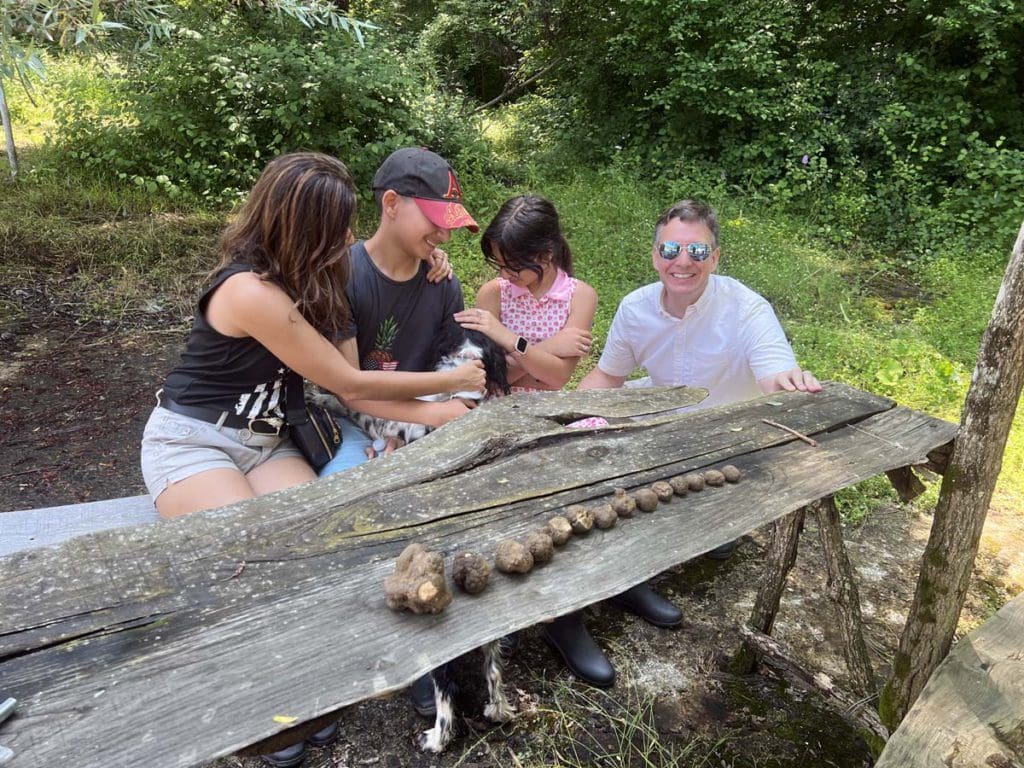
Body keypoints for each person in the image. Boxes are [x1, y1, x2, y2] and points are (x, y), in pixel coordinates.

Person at [139, 152, 485, 768]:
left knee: (319, 542)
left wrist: (432, 258)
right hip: (193, 440)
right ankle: (263, 713)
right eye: (335, 229)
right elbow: (343, 379)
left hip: (265, 442)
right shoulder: (250, 292)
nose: (346, 239)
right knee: (252, 560)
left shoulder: (310, 276)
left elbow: (379, 283)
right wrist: (452, 387)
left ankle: (306, 685)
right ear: (301, 229)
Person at [573, 197, 821, 683]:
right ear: (653, 253)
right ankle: (628, 577)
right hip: (664, 422)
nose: (682, 261)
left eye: (697, 251)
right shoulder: (635, 308)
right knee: (593, 452)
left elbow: (774, 373)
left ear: (716, 257)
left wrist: (790, 382)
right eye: (670, 248)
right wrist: (559, 419)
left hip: (726, 439)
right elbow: (608, 377)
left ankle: (710, 530)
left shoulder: (747, 307)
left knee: (707, 526)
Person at [453, 195, 615, 686]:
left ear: (546, 253)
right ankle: (501, 607)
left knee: (582, 475)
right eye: (498, 264)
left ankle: (567, 615)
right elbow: (489, 372)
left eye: (515, 265)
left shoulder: (578, 295)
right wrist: (534, 351)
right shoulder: (493, 293)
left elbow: (558, 381)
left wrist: (515, 343)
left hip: (549, 411)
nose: (506, 275)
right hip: (495, 405)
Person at [317, 146, 481, 473]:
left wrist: (421, 426)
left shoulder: (443, 284)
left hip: (422, 418)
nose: (445, 235)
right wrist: (406, 424)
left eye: (449, 224)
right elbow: (348, 389)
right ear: (391, 203)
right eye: (434, 220)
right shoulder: (341, 276)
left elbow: (459, 373)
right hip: (348, 418)